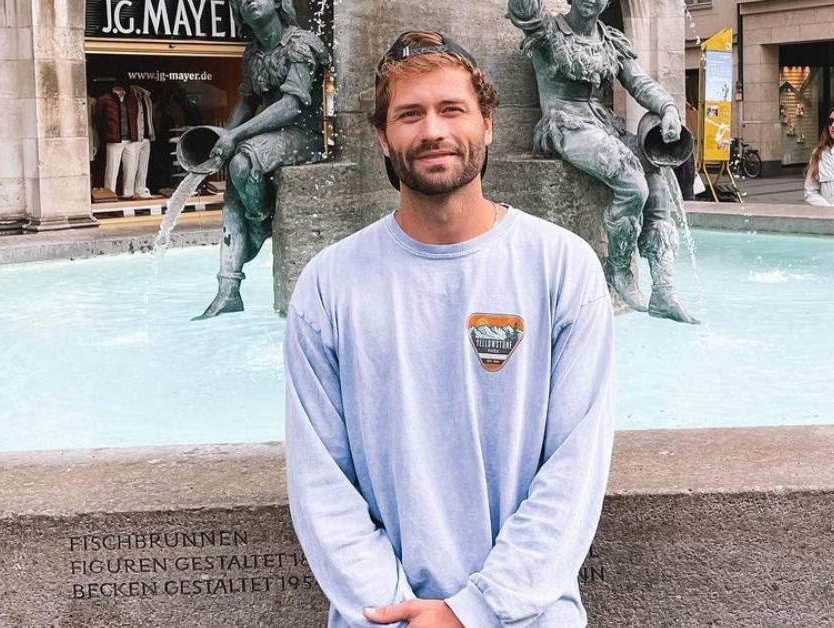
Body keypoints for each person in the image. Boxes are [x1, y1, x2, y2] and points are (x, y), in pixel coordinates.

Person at [284, 31, 616, 628]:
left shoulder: (564, 267)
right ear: (383, 137)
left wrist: (473, 612)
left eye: (452, 109)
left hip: (528, 616)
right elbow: (321, 481)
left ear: (487, 123)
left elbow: (575, 466)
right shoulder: (327, 286)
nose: (432, 130)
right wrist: (399, 613)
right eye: (409, 114)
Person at [507, 0, 697, 323]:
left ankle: (663, 288)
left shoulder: (609, 40)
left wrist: (668, 109)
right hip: (565, 124)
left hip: (603, 126)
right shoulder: (548, 29)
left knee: (656, 177)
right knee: (632, 182)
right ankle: (618, 266)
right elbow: (522, 9)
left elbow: (639, 83)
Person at [197, 0, 330, 319]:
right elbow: (246, 102)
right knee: (233, 177)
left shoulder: (300, 44)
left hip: (304, 137)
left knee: (242, 160)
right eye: (240, 1)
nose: (248, 2)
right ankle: (227, 291)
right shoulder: (252, 53)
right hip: (265, 139)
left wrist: (236, 137)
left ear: (277, 3)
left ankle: (259, 223)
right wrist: (223, 138)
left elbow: (290, 107)